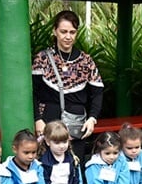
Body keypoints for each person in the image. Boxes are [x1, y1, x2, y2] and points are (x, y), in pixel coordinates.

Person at [32, 10, 104, 160]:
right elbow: (33, 91)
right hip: (48, 121)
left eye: (72, 32)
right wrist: (38, 119)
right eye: (63, 31)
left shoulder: (86, 61)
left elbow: (97, 93)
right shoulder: (43, 58)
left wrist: (92, 118)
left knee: (74, 165)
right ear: (55, 31)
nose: (68, 36)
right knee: (48, 166)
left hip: (76, 124)